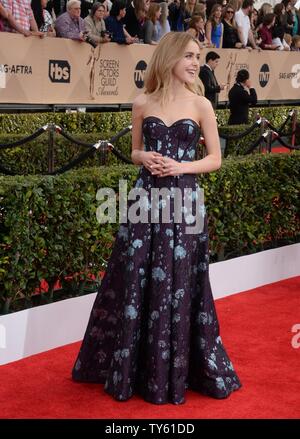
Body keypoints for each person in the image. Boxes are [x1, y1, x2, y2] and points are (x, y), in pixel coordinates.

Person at [72, 31, 242, 405]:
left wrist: (180, 165)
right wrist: (143, 158)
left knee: (182, 278)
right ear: (169, 58)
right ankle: (133, 368)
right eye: (189, 56)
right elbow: (134, 151)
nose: (196, 62)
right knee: (136, 273)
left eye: (198, 56)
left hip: (184, 200)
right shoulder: (142, 102)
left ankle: (177, 371)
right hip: (144, 199)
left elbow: (215, 159)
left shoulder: (201, 105)